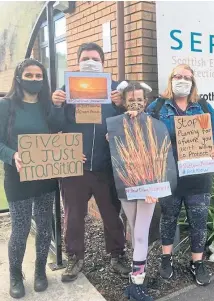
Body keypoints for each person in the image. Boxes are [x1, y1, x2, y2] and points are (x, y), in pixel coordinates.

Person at [49, 42, 130, 282]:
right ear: (78, 62)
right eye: (86, 58)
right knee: (73, 215)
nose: (90, 62)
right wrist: (55, 105)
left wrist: (120, 105)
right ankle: (75, 258)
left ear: (103, 63)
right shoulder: (66, 90)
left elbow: (132, 123)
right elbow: (55, 126)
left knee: (111, 214)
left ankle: (117, 256)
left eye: (95, 58)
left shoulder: (116, 92)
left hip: (107, 166)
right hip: (76, 167)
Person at [146, 64, 214, 286]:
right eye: (178, 76)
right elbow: (144, 135)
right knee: (169, 216)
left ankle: (197, 262)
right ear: (171, 79)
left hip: (199, 174)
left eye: (187, 77)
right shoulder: (157, 107)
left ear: (193, 82)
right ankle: (166, 258)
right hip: (169, 173)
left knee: (199, 220)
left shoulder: (203, 106)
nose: (182, 80)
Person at [0, 59, 57, 298]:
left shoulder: (48, 106)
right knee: (21, 229)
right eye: (29, 75)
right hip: (18, 176)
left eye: (38, 76)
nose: (34, 80)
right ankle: (15, 274)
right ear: (19, 77)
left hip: (45, 176)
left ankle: (40, 271)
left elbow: (58, 135)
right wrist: (12, 156)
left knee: (45, 227)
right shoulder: (5, 106)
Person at [109, 81, 157, 301]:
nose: (135, 103)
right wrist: (111, 138)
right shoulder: (116, 125)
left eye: (139, 100)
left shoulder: (154, 125)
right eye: (131, 100)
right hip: (126, 185)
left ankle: (137, 282)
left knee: (140, 233)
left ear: (145, 102)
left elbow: (161, 158)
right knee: (135, 230)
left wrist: (156, 186)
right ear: (124, 102)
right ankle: (136, 277)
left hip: (148, 187)